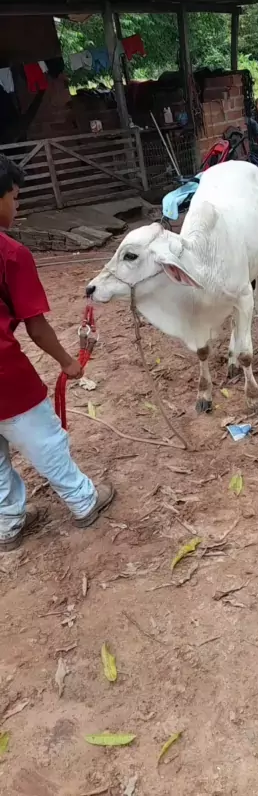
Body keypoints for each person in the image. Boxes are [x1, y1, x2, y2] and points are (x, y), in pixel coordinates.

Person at [0, 154, 114, 552]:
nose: (17, 206)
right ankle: (84, 501)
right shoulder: (11, 253)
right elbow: (36, 326)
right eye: (14, 197)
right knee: (45, 439)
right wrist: (68, 362)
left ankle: (8, 523)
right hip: (5, 376)